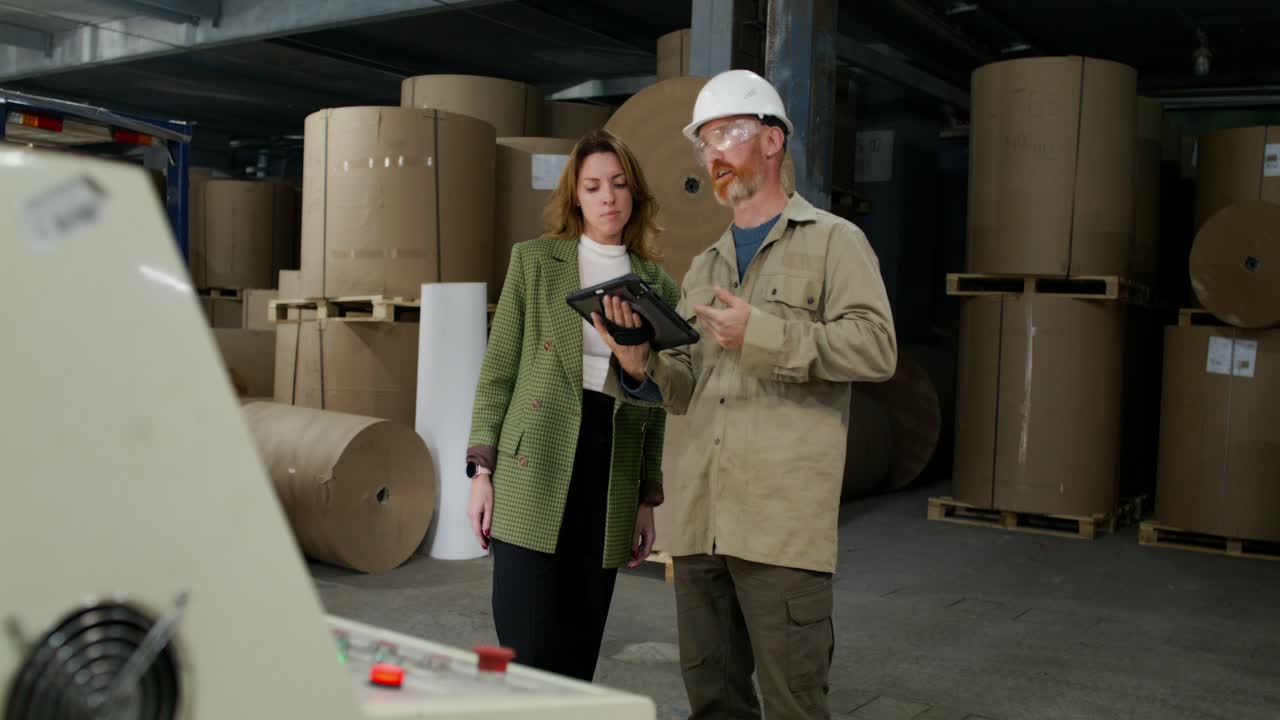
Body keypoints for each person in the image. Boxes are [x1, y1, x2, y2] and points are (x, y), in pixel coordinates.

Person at [594, 69, 898, 719]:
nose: (714, 155)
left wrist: (761, 334)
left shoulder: (833, 244)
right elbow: (684, 385)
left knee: (793, 701)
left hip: (781, 525)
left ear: (771, 140)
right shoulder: (703, 266)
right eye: (705, 142)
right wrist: (636, 360)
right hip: (701, 519)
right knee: (711, 699)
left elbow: (877, 349)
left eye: (728, 134)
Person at [464, 128, 678, 683]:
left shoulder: (655, 283)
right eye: (593, 186)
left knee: (579, 650)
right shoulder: (534, 262)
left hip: (610, 463)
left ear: (634, 195)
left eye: (618, 184)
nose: (607, 197)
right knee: (526, 645)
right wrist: (481, 471)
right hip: (532, 459)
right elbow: (498, 370)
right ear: (575, 197)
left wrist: (646, 497)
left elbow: (653, 401)